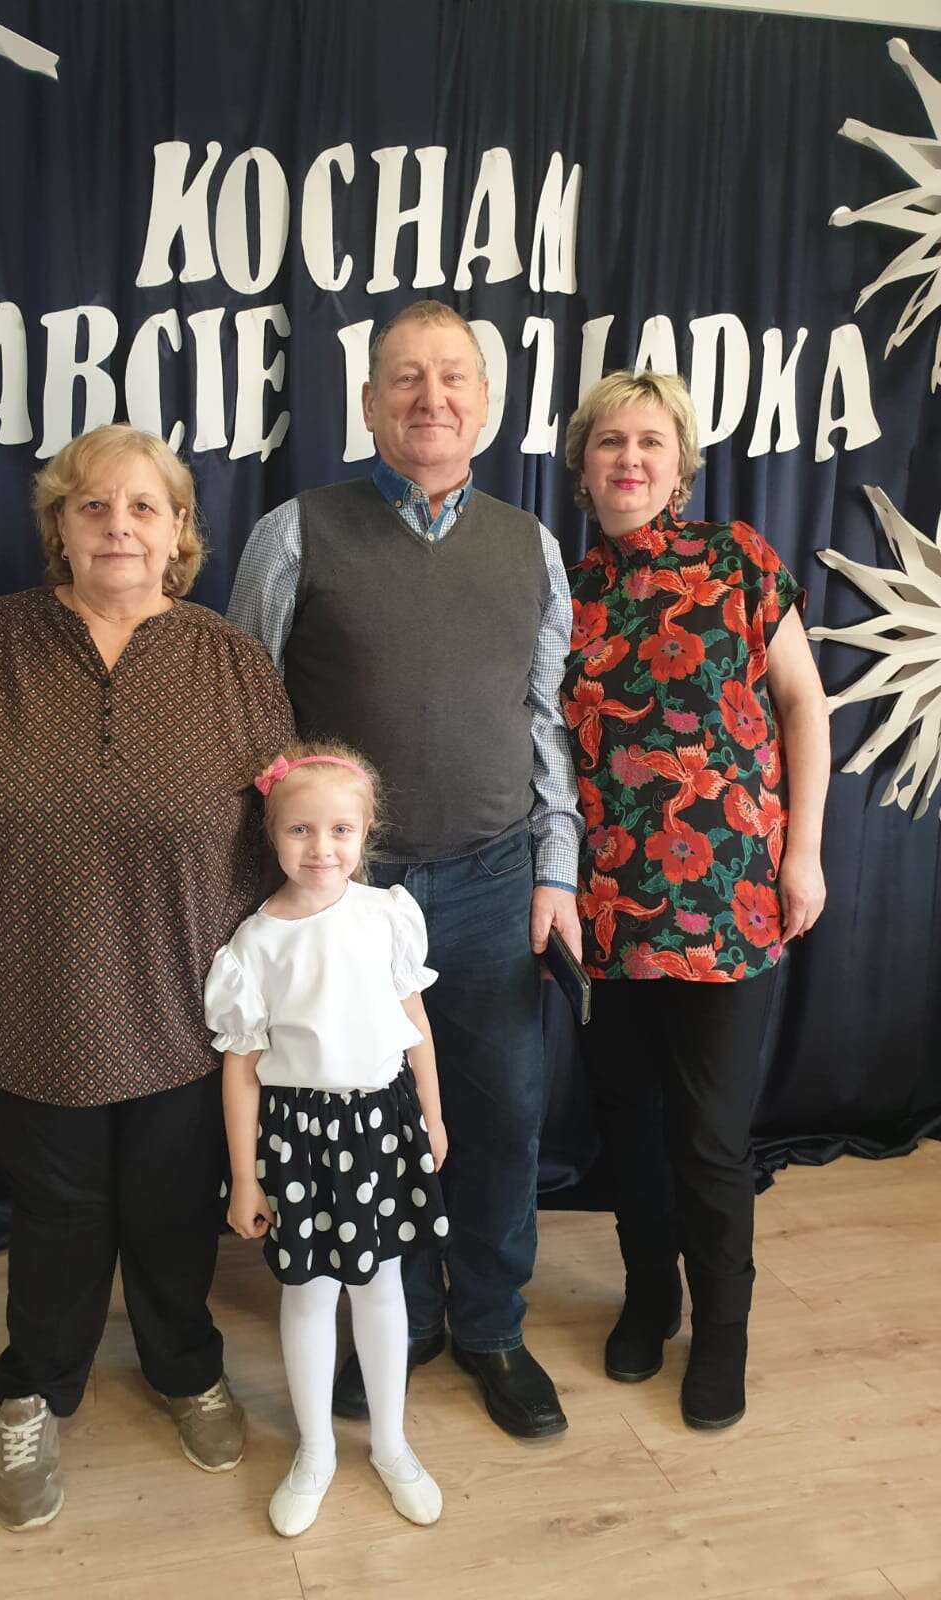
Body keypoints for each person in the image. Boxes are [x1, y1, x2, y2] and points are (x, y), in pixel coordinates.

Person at [0, 424, 294, 1531]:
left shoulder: (230, 660)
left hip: (187, 989)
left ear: (179, 531)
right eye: (94, 507)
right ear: (59, 527)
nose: (120, 527)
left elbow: (287, 812)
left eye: (144, 507)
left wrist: (297, 956)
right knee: (57, 1209)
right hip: (27, 983)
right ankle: (33, 1388)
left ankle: (185, 1368)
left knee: (170, 1203)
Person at [228, 300, 582, 1440]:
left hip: (490, 883)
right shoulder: (296, 532)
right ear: (370, 401)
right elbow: (247, 717)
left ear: (487, 404)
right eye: (407, 378)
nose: (432, 398)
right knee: (358, 1117)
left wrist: (556, 871)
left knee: (501, 1113)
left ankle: (490, 1326)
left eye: (454, 377)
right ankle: (404, 1314)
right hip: (343, 898)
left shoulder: (531, 545)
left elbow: (546, 722)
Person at [561, 370, 830, 1429]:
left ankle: (723, 1330)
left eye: (650, 442)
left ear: (679, 465)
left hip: (731, 900)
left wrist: (804, 854)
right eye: (610, 442)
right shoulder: (564, 593)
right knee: (627, 1123)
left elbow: (803, 706)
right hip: (607, 905)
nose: (629, 458)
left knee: (710, 1138)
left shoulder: (739, 559)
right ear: (582, 467)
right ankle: (648, 1295)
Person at [205, 742, 448, 1536]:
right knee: (307, 1293)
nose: (321, 848)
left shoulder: (386, 916)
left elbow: (415, 1023)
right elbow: (242, 1070)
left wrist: (433, 1115)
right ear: (272, 834)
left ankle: (391, 1444)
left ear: (366, 832)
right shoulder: (254, 944)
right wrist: (246, 1177)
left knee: (381, 1285)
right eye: (301, 830)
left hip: (381, 1125)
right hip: (298, 1140)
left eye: (341, 829)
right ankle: (315, 1451)